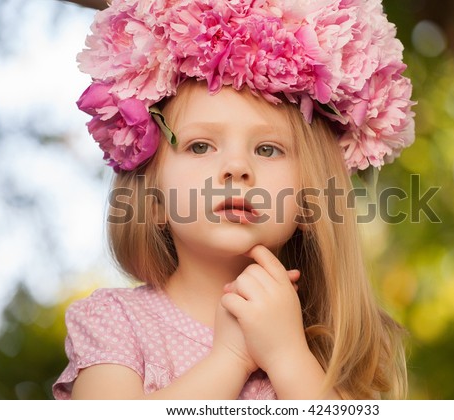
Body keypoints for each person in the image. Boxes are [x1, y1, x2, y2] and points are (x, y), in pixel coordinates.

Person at [53, 0, 415, 400]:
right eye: (201, 145)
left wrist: (288, 356)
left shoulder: (331, 349)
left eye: (267, 150)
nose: (237, 168)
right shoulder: (113, 321)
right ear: (151, 199)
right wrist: (230, 358)